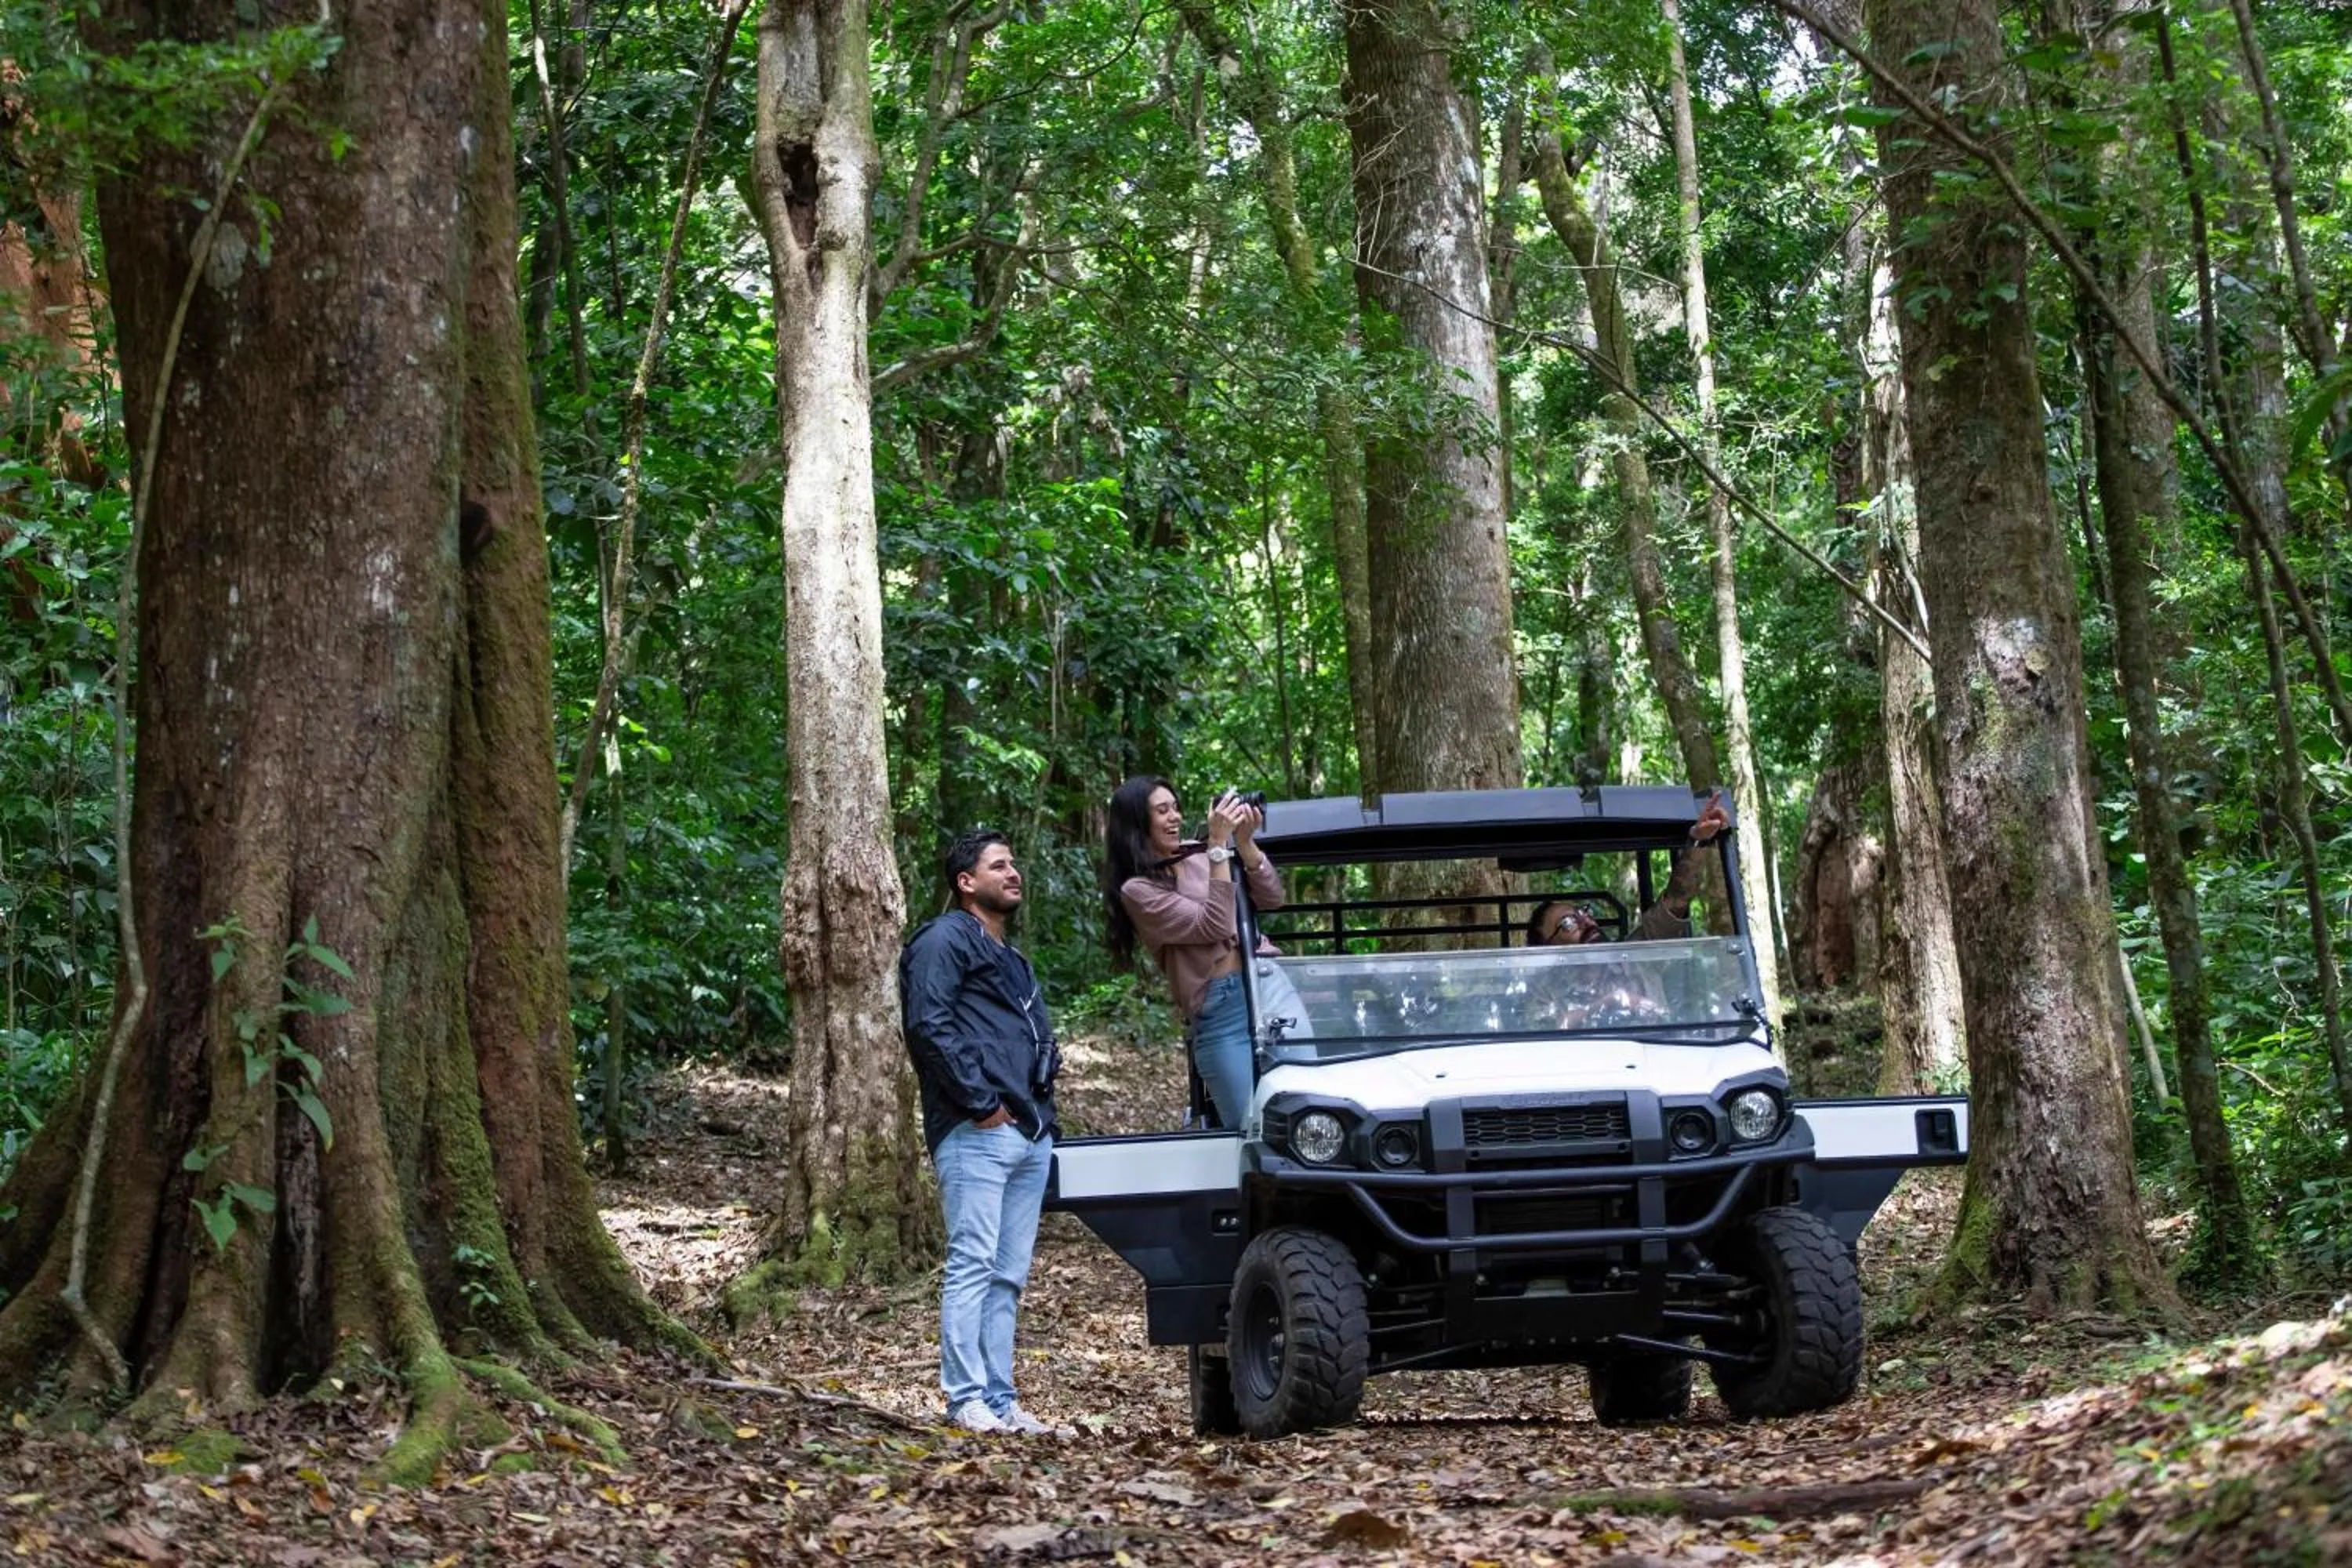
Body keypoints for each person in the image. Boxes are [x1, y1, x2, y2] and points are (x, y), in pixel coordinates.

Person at [899, 829, 1063, 1437]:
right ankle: (964, 1397)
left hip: (1027, 1132)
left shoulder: (1012, 959)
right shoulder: (944, 939)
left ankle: (1000, 1400)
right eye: (999, 866)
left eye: (1014, 863)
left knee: (1008, 1274)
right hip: (977, 1130)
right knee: (973, 1263)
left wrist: (1041, 1114)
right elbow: (928, 1025)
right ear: (967, 882)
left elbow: (1030, 1037)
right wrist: (980, 1103)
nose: (1013, 872)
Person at [1103, 776, 1288, 1129]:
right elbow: (1214, 926)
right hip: (1221, 1012)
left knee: (1310, 1105)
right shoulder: (1138, 890)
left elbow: (1272, 899)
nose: (1174, 817)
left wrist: (1245, 845)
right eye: (1162, 810)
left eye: (1175, 807)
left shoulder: (1198, 853)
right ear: (1137, 823)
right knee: (1253, 1128)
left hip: (1270, 986)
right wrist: (1218, 847)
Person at [1526, 791, 1732, 948]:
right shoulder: (1551, 999)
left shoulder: (1635, 959)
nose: (1585, 921)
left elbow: (1676, 902)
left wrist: (1699, 841)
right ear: (1549, 951)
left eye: (1581, 912)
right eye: (1568, 923)